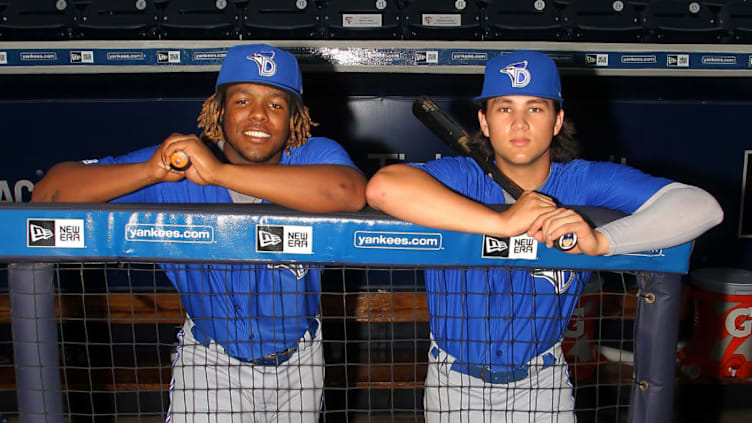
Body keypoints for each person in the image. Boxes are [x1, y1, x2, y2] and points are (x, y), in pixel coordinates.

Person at [366, 50, 723, 422]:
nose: (519, 124)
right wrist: (502, 222)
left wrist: (603, 241)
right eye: (505, 109)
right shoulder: (461, 176)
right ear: (484, 122)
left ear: (557, 121)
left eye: (535, 109)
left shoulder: (582, 181)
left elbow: (702, 206)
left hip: (542, 385)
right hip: (453, 383)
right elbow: (382, 187)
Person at [32, 44, 367, 423]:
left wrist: (219, 173)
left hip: (300, 361)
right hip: (212, 361)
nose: (259, 114)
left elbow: (349, 192)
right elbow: (50, 192)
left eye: (275, 104)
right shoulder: (177, 168)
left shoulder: (311, 156)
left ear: (294, 118)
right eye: (243, 100)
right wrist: (151, 171)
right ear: (219, 111)